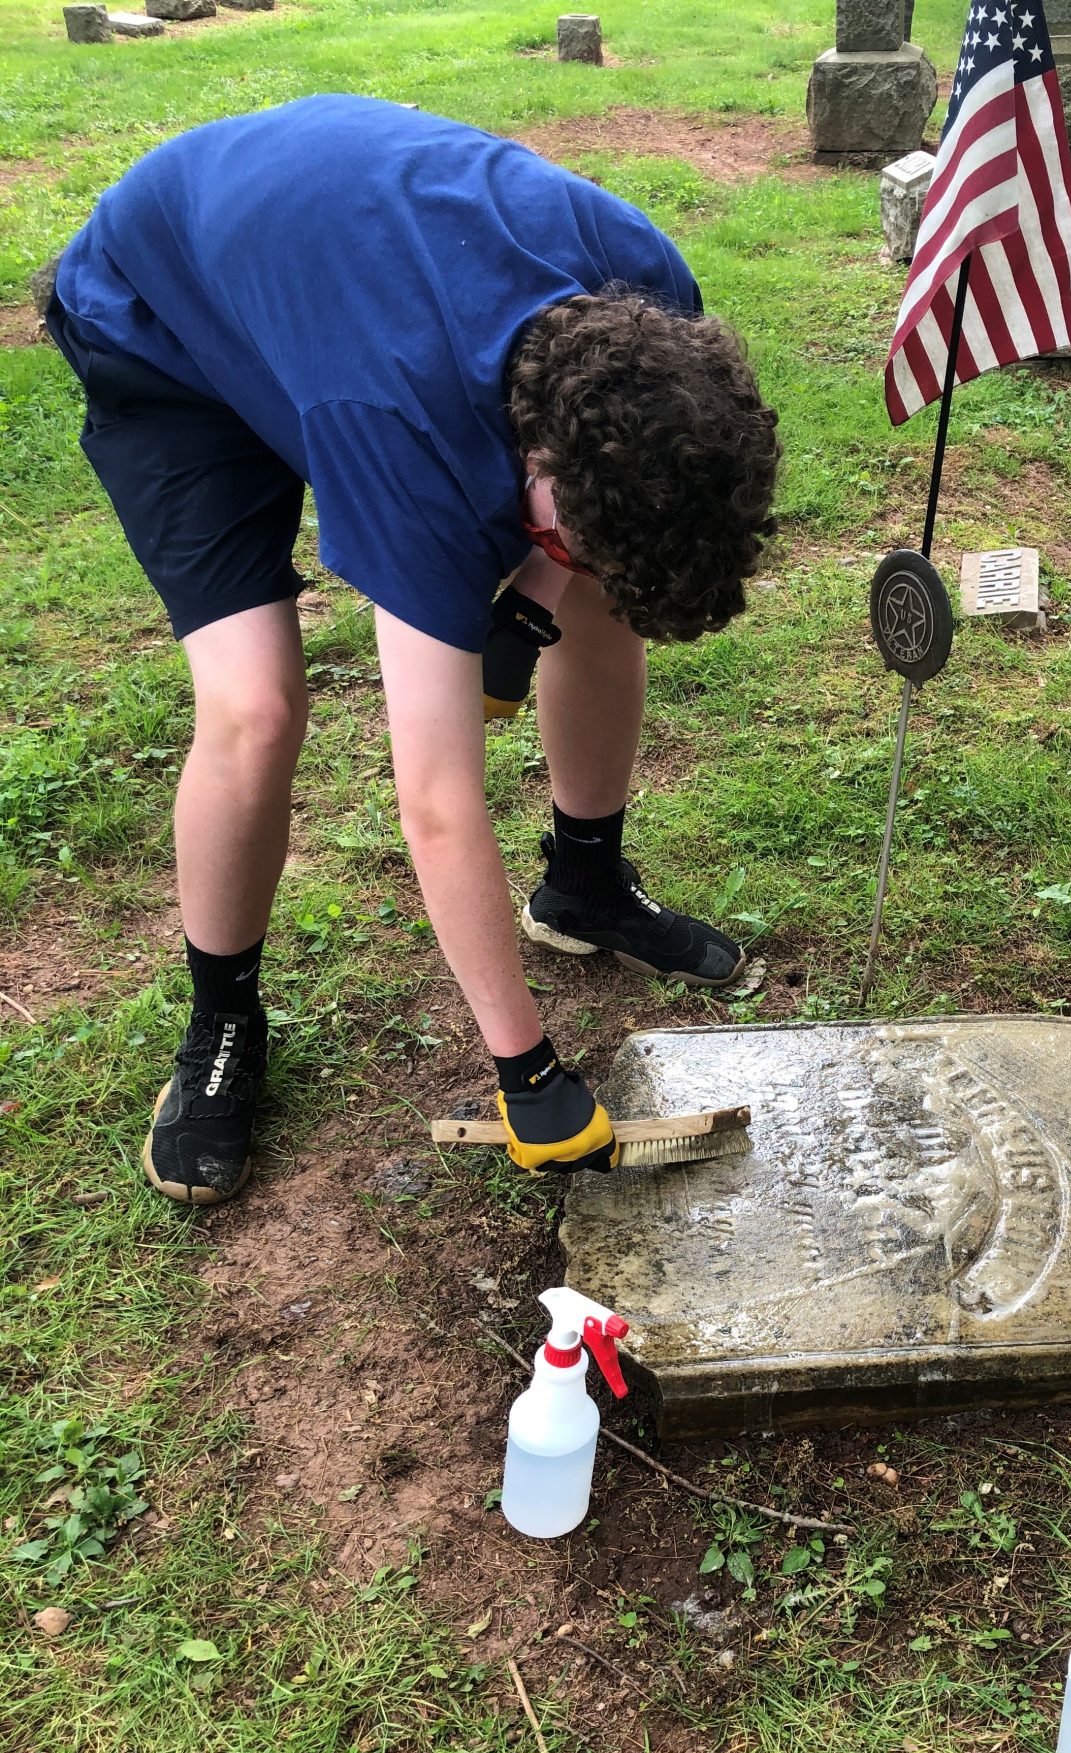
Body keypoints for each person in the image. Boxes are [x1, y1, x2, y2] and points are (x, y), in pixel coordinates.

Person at [45, 94, 780, 1204]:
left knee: (602, 597)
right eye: (549, 524)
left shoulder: (648, 291)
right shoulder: (400, 429)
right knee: (256, 706)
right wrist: (525, 1069)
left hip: (320, 270)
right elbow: (435, 798)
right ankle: (223, 1019)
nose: (547, 545)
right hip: (165, 318)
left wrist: (540, 595)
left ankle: (583, 886)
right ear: (535, 452)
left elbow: (589, 540)